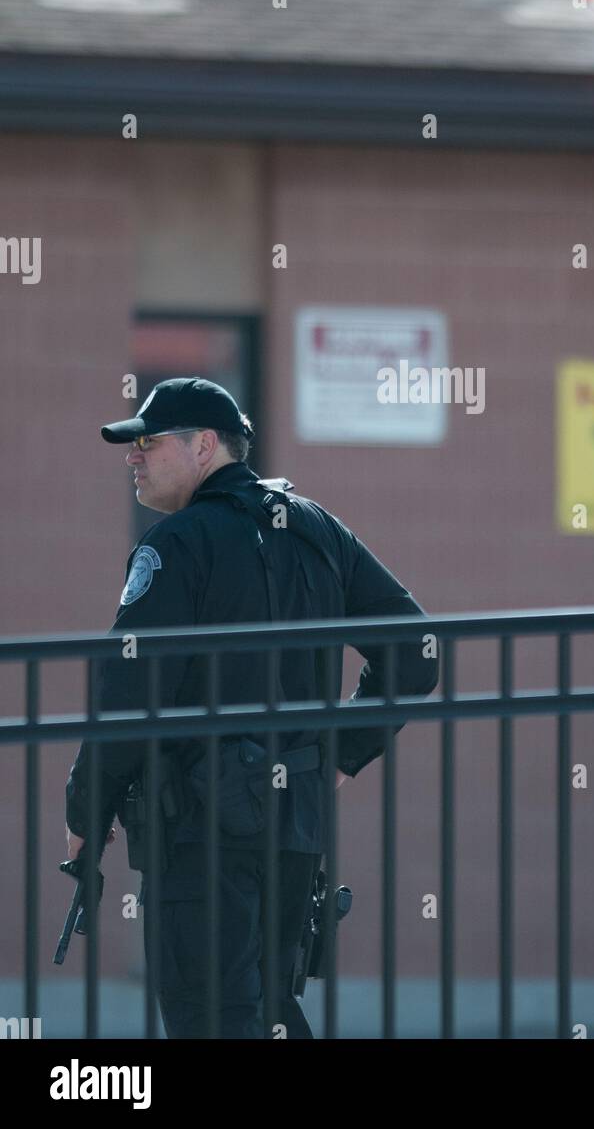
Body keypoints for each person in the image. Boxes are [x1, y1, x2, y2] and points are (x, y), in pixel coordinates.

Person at [65, 376, 436, 1038]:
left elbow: (129, 692)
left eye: (148, 442)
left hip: (196, 830)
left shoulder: (175, 544)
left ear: (205, 445)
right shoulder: (317, 529)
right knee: (264, 1011)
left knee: (213, 1017)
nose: (134, 456)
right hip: (295, 826)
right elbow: (417, 652)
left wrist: (84, 810)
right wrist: (340, 755)